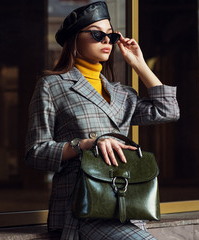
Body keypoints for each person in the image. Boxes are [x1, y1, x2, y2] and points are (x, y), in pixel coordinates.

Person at [24, 1, 180, 239]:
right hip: (81, 209)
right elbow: (35, 152)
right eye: (98, 35)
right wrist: (85, 145)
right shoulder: (52, 85)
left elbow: (168, 110)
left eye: (112, 35)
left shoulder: (122, 94)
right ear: (75, 39)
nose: (107, 41)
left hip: (125, 203)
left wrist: (138, 63)